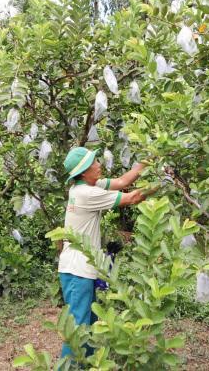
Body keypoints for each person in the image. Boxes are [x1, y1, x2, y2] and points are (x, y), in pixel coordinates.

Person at [58, 146, 148, 359]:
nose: (99, 165)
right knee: (78, 328)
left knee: (87, 324)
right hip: (77, 270)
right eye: (94, 164)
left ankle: (87, 364)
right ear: (83, 172)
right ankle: (68, 365)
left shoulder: (88, 186)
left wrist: (148, 160)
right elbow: (132, 198)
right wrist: (161, 185)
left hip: (80, 268)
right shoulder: (87, 194)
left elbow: (123, 182)